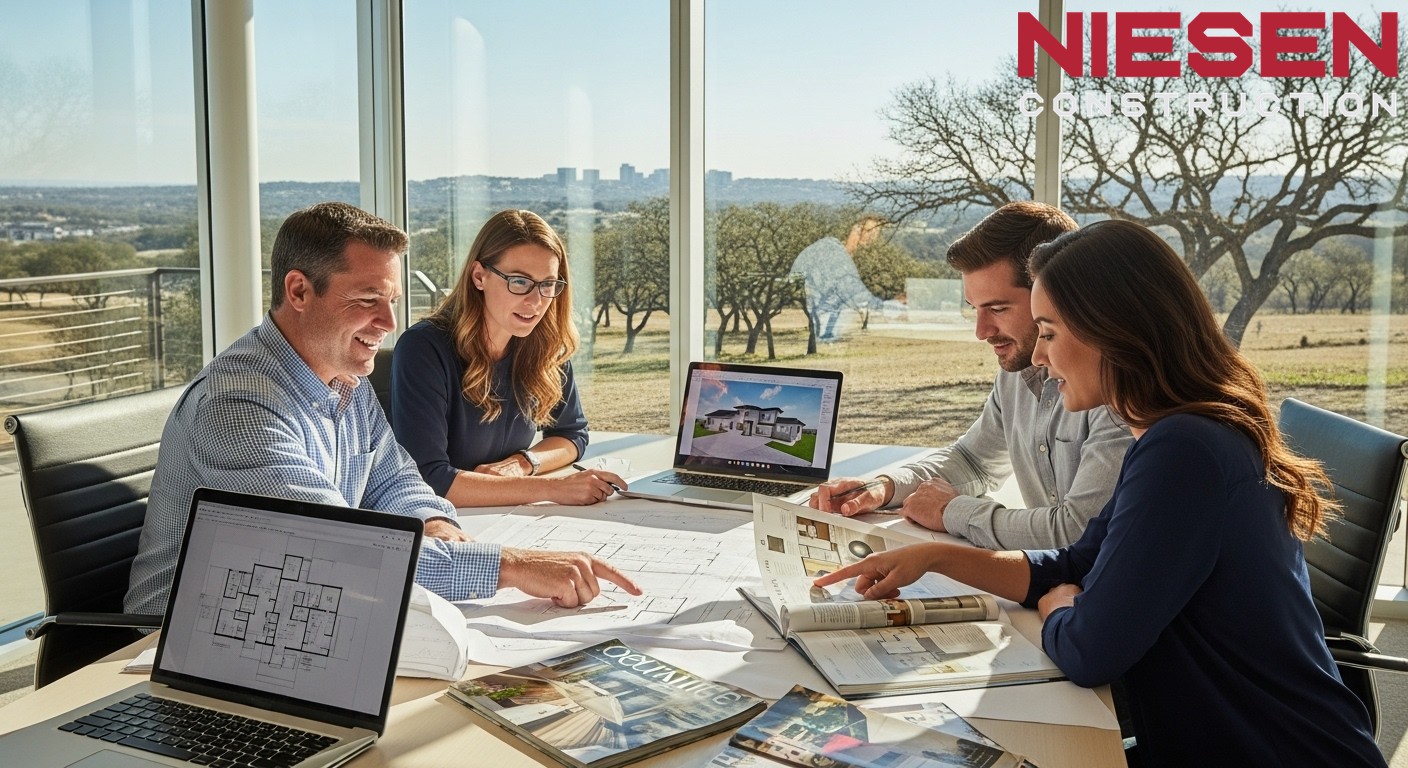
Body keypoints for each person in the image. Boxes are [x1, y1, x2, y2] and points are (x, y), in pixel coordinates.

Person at [816, 219, 1385, 766]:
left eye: (1050, 333)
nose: (1038, 356)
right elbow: (1078, 560)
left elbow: (1091, 651)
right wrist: (937, 557)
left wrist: (1061, 606)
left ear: (1117, 332)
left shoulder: (1185, 450)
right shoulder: (1172, 433)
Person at [126, 202, 640, 616]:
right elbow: (341, 549)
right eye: (368, 298)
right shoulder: (241, 405)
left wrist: (435, 523)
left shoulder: (343, 378)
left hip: (292, 611)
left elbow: (395, 481)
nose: (389, 321)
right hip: (178, 638)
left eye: (392, 299)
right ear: (299, 290)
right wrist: (508, 565)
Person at [811, 202, 1131, 549]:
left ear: (1053, 296)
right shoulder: (1017, 372)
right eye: (974, 309)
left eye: (997, 308)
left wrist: (953, 510)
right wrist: (885, 486)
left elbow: (1077, 530)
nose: (981, 331)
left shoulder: (1111, 388)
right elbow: (974, 461)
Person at [391, 210, 622, 507]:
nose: (536, 302)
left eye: (547, 284)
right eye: (519, 282)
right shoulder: (423, 348)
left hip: (507, 516)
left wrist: (524, 462)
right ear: (479, 276)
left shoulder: (543, 343)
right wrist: (552, 488)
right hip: (444, 521)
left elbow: (572, 434)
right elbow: (429, 478)